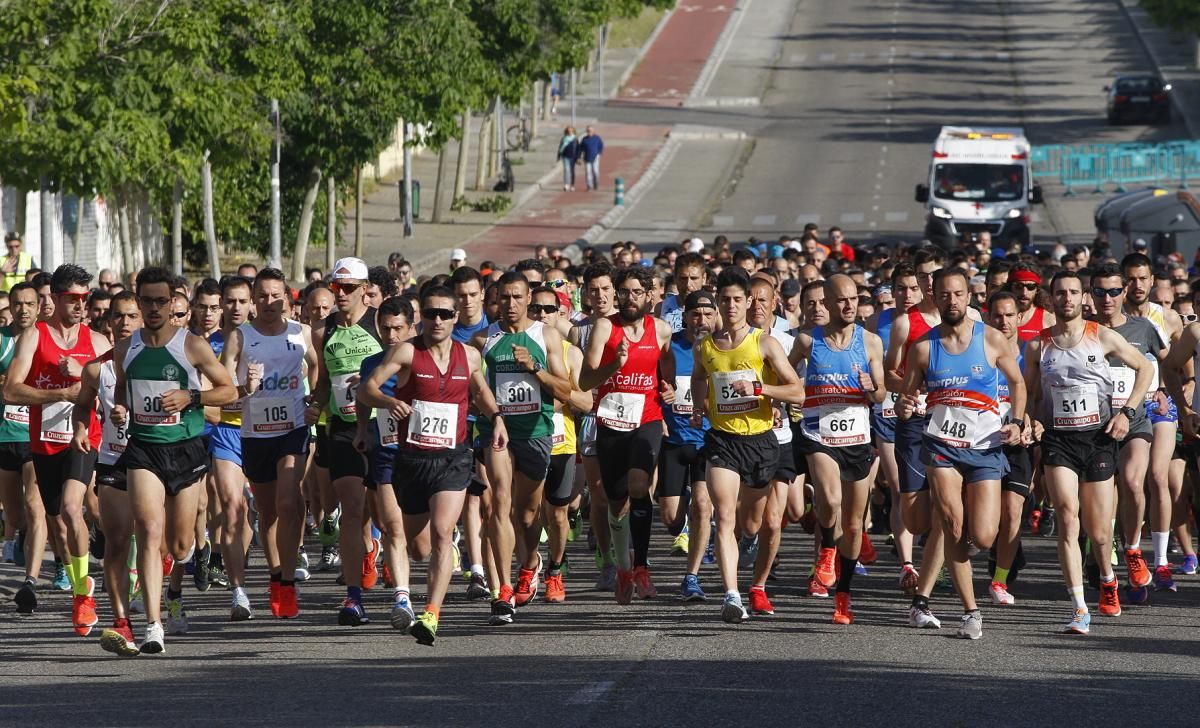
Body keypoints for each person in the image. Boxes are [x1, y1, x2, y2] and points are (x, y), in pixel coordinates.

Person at [360, 285, 509, 645]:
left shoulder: (470, 356)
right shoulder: (407, 352)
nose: (438, 320)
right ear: (421, 317)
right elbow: (366, 390)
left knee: (443, 532)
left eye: (445, 314)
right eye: (430, 314)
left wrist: (497, 416)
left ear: (456, 316)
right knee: (419, 547)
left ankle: (431, 613)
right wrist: (386, 400)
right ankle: (435, 567)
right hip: (411, 459)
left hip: (452, 457)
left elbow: (480, 391)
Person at [109, 266, 236, 653]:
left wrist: (192, 397)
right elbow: (121, 391)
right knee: (147, 530)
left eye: (161, 301)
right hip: (143, 448)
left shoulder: (190, 345)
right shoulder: (125, 347)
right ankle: (152, 625)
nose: (153, 308)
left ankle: (192, 553)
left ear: (172, 303)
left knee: (178, 546)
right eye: (146, 300)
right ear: (138, 300)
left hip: (185, 450)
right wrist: (119, 410)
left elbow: (228, 391)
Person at [897, 269, 1025, 640]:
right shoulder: (923, 347)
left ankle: (957, 566)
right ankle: (971, 611)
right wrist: (905, 406)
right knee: (952, 523)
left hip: (985, 446)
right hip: (941, 447)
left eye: (958, 294)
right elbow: (906, 400)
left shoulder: (993, 340)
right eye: (944, 295)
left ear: (969, 296)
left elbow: (1018, 383)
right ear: (934, 298)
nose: (951, 301)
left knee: (984, 536)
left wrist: (1016, 421)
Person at [1023, 271, 1153, 634]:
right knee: (1067, 517)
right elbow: (1030, 395)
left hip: (1097, 438)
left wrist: (1127, 412)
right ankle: (1079, 607)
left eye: (1073, 292)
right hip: (1058, 440)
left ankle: (1109, 578)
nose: (1067, 298)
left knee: (1098, 532)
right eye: (1060, 293)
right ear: (1050, 299)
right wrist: (1029, 421)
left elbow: (1144, 367)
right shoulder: (1038, 346)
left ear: (1084, 299)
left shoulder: (1102, 337)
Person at [690, 267, 805, 623]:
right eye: (724, 300)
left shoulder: (764, 343)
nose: (731, 306)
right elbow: (698, 377)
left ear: (749, 301)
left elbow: (797, 391)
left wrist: (760, 390)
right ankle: (732, 595)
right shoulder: (705, 345)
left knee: (751, 524)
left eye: (738, 299)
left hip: (760, 442)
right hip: (722, 440)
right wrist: (700, 405)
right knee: (723, 516)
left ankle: (748, 553)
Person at [3, 265, 112, 637]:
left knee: (71, 507)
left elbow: (115, 390)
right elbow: (11, 391)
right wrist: (60, 393)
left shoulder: (97, 343)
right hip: (44, 442)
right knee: (59, 525)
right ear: (57, 299)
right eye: (74, 299)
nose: (81, 306)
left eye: (86, 298)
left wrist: (83, 371)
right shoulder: (35, 337)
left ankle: (83, 594)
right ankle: (81, 579)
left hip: (83, 438)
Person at [470, 272, 572, 624]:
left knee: (527, 514)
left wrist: (536, 369)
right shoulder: (483, 339)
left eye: (517, 297)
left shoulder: (545, 336)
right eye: (504, 298)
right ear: (495, 299)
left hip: (536, 433)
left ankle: (530, 563)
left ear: (529, 298)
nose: (510, 305)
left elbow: (566, 390)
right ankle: (502, 591)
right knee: (500, 501)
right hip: (496, 430)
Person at [222, 268, 319, 620]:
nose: (268, 301)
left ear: (287, 298)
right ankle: (275, 573)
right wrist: (243, 385)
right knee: (268, 512)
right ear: (253, 301)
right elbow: (222, 386)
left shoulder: (301, 333)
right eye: (261, 295)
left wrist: (314, 403)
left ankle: (288, 582)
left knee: (288, 501)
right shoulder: (240, 337)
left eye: (275, 295)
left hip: (292, 428)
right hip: (255, 433)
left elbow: (316, 366)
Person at [791, 275, 887, 625]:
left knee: (853, 523)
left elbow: (879, 395)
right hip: (818, 433)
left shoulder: (872, 342)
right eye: (842, 300)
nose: (849, 306)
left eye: (854, 299)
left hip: (857, 438)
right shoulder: (806, 341)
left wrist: (871, 387)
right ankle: (827, 551)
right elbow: (787, 376)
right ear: (828, 304)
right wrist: (784, 397)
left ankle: (843, 598)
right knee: (830, 501)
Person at [579, 267, 675, 604]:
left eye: (637, 292)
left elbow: (668, 372)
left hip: (646, 419)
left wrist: (670, 390)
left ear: (650, 295)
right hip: (610, 422)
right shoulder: (605, 327)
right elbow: (585, 381)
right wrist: (613, 368)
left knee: (639, 485)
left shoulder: (661, 330)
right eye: (625, 292)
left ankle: (641, 566)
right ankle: (622, 568)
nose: (630, 299)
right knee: (616, 500)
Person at [305, 257, 383, 626]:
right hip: (343, 429)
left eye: (349, 288)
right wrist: (315, 405)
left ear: (366, 290)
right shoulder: (323, 331)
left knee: (383, 513)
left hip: (383, 427)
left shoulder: (381, 324)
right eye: (337, 287)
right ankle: (353, 597)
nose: (342, 294)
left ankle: (375, 551)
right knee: (352, 510)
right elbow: (321, 381)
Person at [72, 291, 141, 655]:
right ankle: (122, 624)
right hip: (114, 460)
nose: (125, 323)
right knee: (116, 541)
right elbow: (82, 408)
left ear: (143, 319)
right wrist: (82, 428)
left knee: (168, 543)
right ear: (108, 321)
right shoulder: (97, 369)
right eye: (119, 316)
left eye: (132, 316)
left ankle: (163, 572)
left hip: (158, 462)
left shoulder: (164, 361)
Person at [353, 296, 420, 630]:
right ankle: (402, 598)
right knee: (392, 526)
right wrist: (363, 428)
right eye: (385, 328)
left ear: (411, 327)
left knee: (420, 546)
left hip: (425, 455)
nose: (391, 335)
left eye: (398, 329)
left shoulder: (424, 360)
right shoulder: (373, 363)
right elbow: (363, 394)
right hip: (387, 451)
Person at [1121, 252, 1185, 594]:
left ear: (1152, 280)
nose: (1138, 285)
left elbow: (1178, 363)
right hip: (1124, 409)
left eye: (1143, 278)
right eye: (1131, 279)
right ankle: (1132, 557)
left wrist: (1179, 395)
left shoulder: (1168, 318)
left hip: (1158, 404)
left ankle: (1160, 562)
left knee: (1158, 476)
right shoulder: (1111, 318)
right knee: (1129, 484)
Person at [528, 286, 593, 603]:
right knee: (527, 514)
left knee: (556, 515)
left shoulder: (571, 353)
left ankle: (554, 570)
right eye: (535, 309)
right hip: (524, 442)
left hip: (560, 444)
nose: (542, 315)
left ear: (560, 314)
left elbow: (587, 401)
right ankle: (528, 568)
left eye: (548, 310)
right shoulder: (515, 349)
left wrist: (558, 397)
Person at [660, 291, 716, 601]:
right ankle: (690, 529)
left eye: (708, 314)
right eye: (696, 314)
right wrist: (663, 396)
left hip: (708, 441)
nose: (702, 321)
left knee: (703, 507)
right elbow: (656, 384)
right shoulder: (671, 348)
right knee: (671, 517)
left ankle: (691, 576)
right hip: (674, 440)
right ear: (686, 316)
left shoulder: (720, 348)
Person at [983, 291, 1034, 606]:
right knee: (984, 523)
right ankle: (994, 549)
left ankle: (999, 581)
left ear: (1019, 317)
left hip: (1019, 442)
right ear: (988, 317)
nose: (1003, 321)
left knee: (1014, 510)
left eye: (1009, 315)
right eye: (997, 315)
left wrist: (1033, 423)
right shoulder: (978, 350)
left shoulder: (1031, 352)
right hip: (982, 442)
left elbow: (1039, 396)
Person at [0, 282, 46, 613]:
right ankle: (20, 537)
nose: (24, 309)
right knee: (14, 514)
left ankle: (30, 580)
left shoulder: (46, 340)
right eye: (18, 303)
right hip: (5, 435)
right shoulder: (1, 340)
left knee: (35, 505)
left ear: (39, 306)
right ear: (11, 306)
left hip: (37, 436)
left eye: (30, 303)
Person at [576, 126, 604, 191]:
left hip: (595, 157)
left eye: (591, 131)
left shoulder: (597, 138)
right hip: (587, 158)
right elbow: (580, 149)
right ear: (586, 132)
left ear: (593, 131)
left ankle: (596, 183)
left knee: (595, 171)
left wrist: (599, 153)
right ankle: (589, 186)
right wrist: (578, 157)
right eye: (588, 131)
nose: (589, 132)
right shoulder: (584, 139)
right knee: (588, 172)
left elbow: (601, 146)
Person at [557, 127, 577, 191]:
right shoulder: (563, 138)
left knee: (572, 171)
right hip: (565, 156)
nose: (570, 132)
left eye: (571, 131)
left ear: (573, 131)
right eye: (568, 131)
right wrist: (558, 156)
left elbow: (578, 148)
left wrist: (578, 157)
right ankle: (566, 184)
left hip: (573, 157)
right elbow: (560, 147)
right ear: (566, 131)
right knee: (566, 170)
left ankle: (572, 185)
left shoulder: (575, 139)